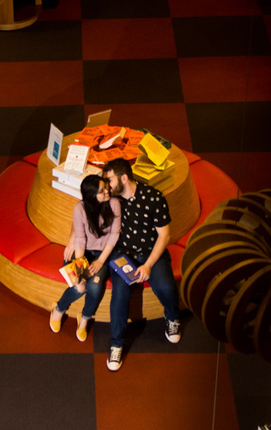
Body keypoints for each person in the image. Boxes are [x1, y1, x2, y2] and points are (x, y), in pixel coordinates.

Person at [101, 157, 183, 371]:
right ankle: (116, 344)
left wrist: (148, 265)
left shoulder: (154, 198)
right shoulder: (112, 200)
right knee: (119, 295)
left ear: (124, 178)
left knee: (166, 286)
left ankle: (172, 317)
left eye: (109, 180)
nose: (107, 186)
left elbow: (164, 236)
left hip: (151, 252)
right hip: (123, 254)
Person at [49, 175, 120, 342]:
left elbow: (114, 235)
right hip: (83, 252)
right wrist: (80, 269)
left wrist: (100, 261)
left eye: (106, 187)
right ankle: (58, 309)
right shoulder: (80, 208)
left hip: (102, 254)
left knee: (94, 287)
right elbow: (80, 240)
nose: (107, 191)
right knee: (79, 287)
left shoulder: (114, 204)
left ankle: (85, 318)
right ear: (91, 195)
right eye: (102, 191)